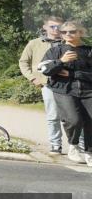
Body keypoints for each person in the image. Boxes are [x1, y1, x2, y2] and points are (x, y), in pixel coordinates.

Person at [40, 21, 92, 165]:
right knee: (73, 120)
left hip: (88, 90)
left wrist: (72, 74)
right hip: (64, 90)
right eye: (64, 32)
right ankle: (73, 145)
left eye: (72, 31)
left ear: (81, 33)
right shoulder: (55, 50)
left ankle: (89, 152)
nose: (67, 34)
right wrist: (61, 61)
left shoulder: (88, 51)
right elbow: (45, 70)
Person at [19, 17, 66, 153]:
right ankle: (55, 144)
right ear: (44, 27)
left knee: (72, 116)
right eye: (52, 26)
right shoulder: (34, 43)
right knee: (53, 115)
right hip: (47, 84)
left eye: (58, 27)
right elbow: (23, 62)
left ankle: (80, 146)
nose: (55, 30)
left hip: (68, 84)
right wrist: (32, 78)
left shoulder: (68, 41)